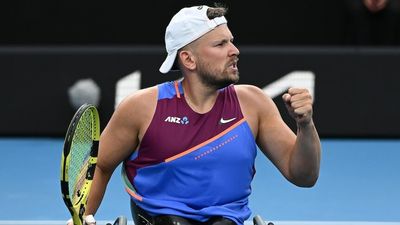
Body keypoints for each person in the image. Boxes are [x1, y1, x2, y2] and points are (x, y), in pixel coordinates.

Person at [67, 4, 321, 225]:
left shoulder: (253, 104)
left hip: (227, 219)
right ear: (188, 59)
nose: (234, 50)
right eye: (221, 44)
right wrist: (82, 216)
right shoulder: (142, 107)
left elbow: (303, 176)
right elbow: (99, 166)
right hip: (159, 218)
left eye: (231, 41)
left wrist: (305, 125)